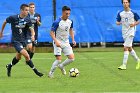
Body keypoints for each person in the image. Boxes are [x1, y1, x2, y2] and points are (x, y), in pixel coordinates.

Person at [0, 4, 43, 77]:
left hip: (23, 40)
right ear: (21, 10)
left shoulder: (27, 19)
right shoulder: (13, 18)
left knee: (18, 57)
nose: (27, 12)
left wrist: (32, 35)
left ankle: (9, 66)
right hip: (15, 40)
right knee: (26, 55)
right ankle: (36, 72)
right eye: (26, 10)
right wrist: (1, 32)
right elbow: (4, 22)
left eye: (28, 10)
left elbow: (32, 29)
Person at [48, 6, 76, 78]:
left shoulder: (70, 21)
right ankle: (51, 73)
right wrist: (56, 41)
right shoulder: (57, 22)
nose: (68, 15)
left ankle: (61, 66)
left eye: (69, 13)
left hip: (66, 42)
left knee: (72, 58)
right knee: (59, 60)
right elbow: (51, 32)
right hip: (58, 42)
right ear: (63, 12)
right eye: (66, 13)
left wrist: (73, 40)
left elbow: (71, 30)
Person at [116, 0, 140, 70]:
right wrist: (119, 23)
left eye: (126, 2)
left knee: (125, 47)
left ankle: (124, 65)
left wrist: (134, 24)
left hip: (131, 31)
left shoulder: (133, 12)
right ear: (122, 4)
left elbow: (139, 20)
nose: (125, 4)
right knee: (129, 48)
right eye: (124, 2)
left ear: (129, 3)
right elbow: (117, 22)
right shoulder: (120, 13)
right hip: (124, 32)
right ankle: (138, 60)